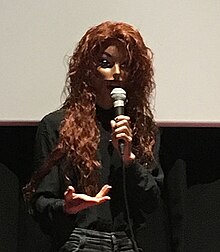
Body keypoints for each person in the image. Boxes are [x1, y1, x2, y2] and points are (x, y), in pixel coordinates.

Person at [23, 21, 164, 252]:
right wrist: (66, 207)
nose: (117, 73)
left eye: (126, 66)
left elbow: (151, 202)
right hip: (80, 240)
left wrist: (129, 161)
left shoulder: (141, 129)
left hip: (127, 242)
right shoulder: (57, 125)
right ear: (88, 69)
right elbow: (39, 201)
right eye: (106, 63)